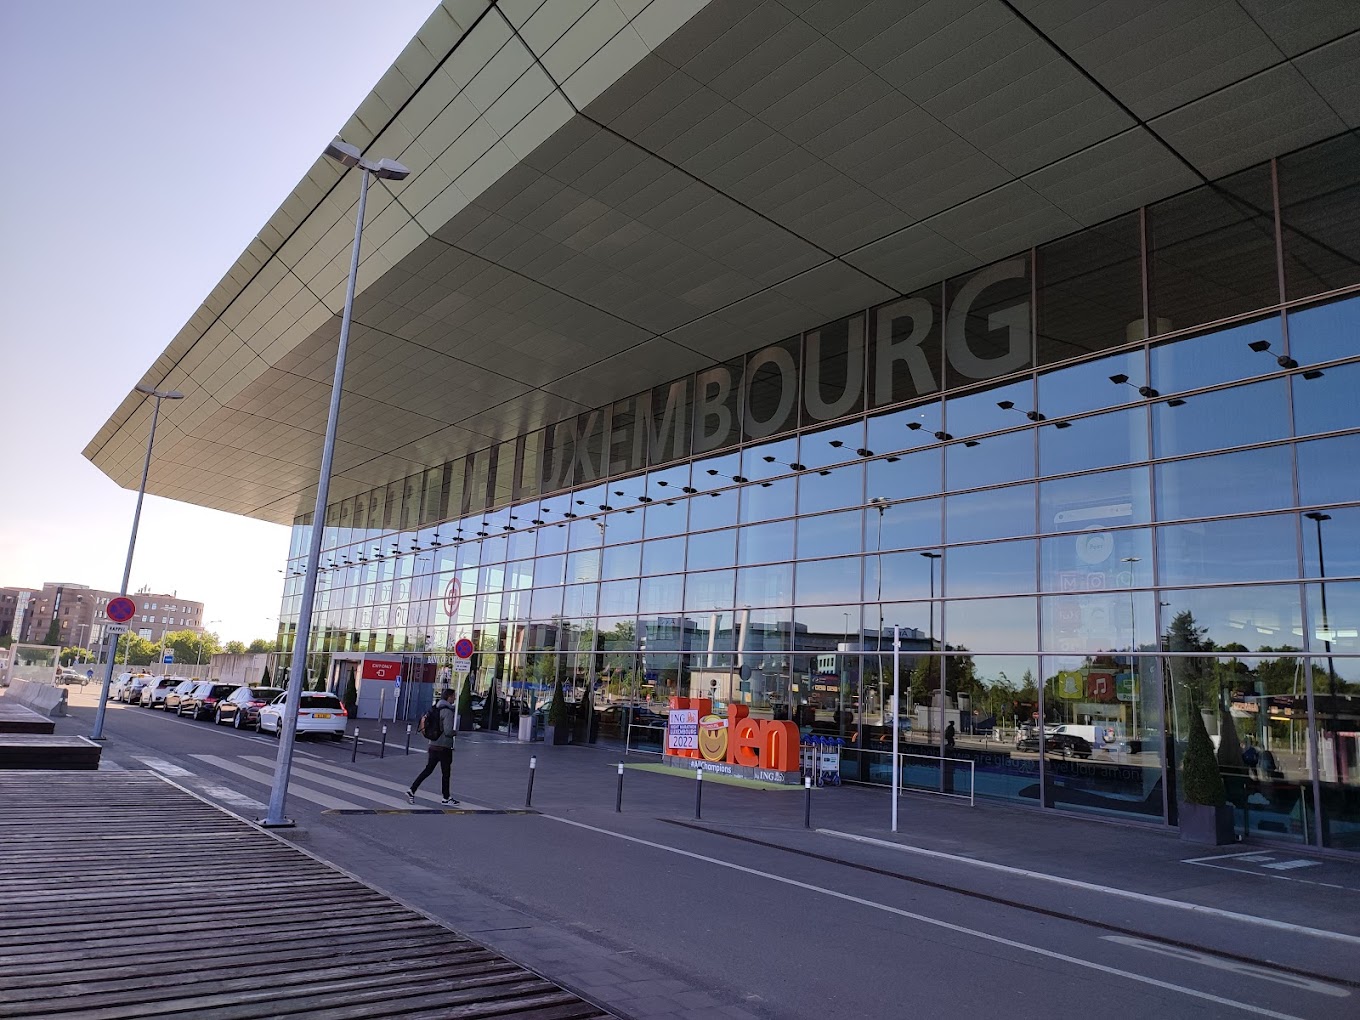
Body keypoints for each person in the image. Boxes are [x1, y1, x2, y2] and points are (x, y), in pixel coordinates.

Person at [407, 688, 458, 805]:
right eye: (454, 696)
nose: (455, 698)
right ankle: (446, 797)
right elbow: (448, 731)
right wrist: (455, 732)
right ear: (449, 697)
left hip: (433, 744)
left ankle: (412, 790)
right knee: (446, 773)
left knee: (428, 770)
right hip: (444, 746)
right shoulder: (447, 711)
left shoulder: (435, 708)